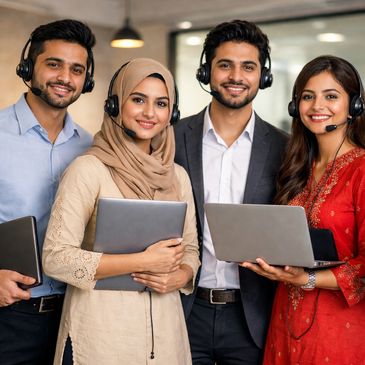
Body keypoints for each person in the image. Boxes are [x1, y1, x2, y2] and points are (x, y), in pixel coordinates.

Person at [42, 58, 200, 365]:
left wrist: (181, 275)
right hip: (100, 332)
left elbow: (191, 248)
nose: (149, 113)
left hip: (167, 334)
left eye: (161, 103)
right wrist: (144, 261)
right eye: (138, 99)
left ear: (172, 113)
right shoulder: (88, 169)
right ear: (115, 104)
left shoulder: (176, 176)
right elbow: (56, 258)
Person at [174, 19, 288, 364]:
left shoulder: (286, 149)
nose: (236, 76)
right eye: (225, 65)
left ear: (262, 76)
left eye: (248, 67)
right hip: (183, 310)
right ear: (206, 71)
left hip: (252, 318)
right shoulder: (171, 139)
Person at [241, 55, 365, 364]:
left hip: (340, 329)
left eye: (331, 96)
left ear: (354, 106)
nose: (316, 106)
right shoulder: (297, 166)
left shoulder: (362, 169)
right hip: (285, 320)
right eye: (308, 96)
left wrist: (307, 280)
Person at [0, 19, 94, 364]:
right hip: (9, 316)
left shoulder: (92, 147)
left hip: (75, 315)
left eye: (76, 69)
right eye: (53, 64)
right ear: (29, 68)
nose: (64, 78)